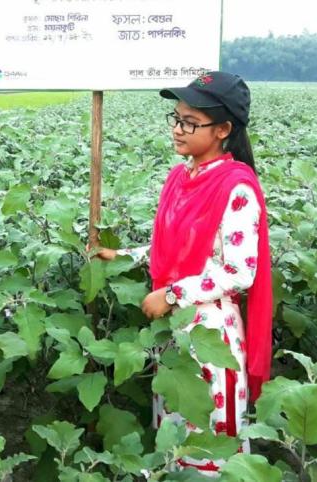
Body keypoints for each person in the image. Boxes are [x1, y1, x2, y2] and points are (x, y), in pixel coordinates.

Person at [94, 71, 272, 475]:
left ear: (224, 129)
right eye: (175, 118)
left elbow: (240, 272)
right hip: (174, 330)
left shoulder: (237, 188)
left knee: (210, 441)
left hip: (211, 332)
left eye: (190, 122)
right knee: (174, 438)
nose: (177, 129)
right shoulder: (181, 176)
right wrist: (121, 255)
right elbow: (171, 247)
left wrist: (172, 294)